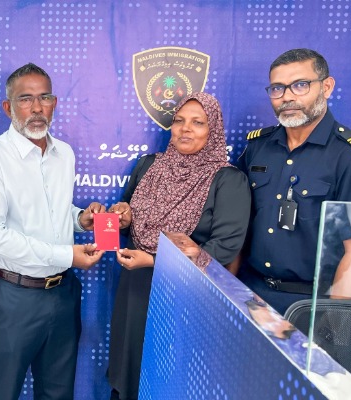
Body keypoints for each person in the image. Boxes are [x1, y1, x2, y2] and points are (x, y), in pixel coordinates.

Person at [0, 63, 105, 400]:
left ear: (54, 103)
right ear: (8, 107)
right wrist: (66, 255)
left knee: (58, 394)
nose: (36, 107)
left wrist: (80, 220)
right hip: (16, 297)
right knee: (3, 392)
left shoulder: (64, 154)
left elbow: (53, 212)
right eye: (25, 99)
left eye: (44, 97)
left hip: (63, 293)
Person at [106, 92, 251, 400]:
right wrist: (123, 217)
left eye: (198, 123)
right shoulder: (148, 166)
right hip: (135, 288)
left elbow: (225, 248)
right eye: (179, 121)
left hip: (185, 296)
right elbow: (127, 221)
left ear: (213, 130)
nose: (185, 129)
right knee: (129, 374)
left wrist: (154, 261)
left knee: (170, 379)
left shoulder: (227, 179)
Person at [237, 48, 351, 315]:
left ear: (327, 87)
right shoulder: (258, 147)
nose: (287, 96)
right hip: (249, 293)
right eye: (277, 88)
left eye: (300, 85)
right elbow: (236, 220)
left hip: (309, 305)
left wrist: (332, 322)